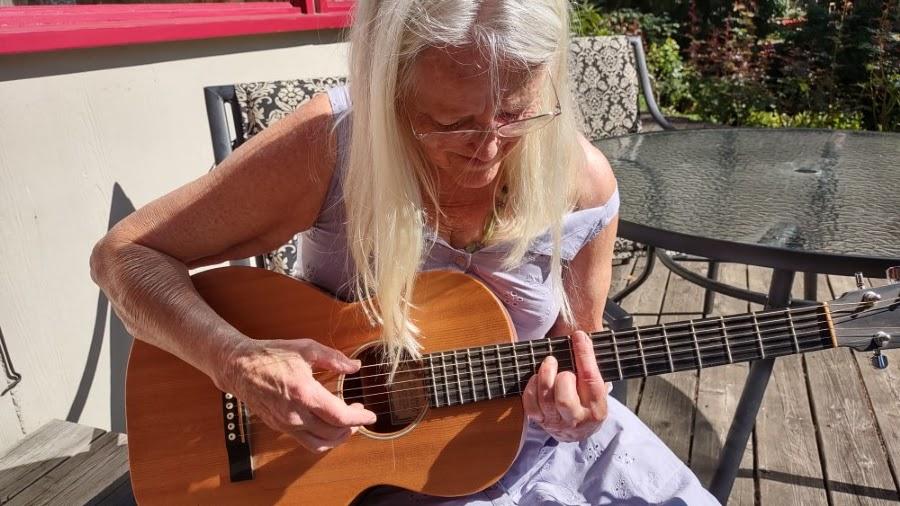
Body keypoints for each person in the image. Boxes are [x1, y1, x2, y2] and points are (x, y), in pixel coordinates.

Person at [91, 1, 718, 504]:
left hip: (539, 449)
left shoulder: (582, 184)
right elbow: (124, 256)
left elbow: (578, 353)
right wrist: (236, 362)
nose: (488, 146)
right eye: (450, 122)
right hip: (351, 469)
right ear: (387, 92)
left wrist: (577, 409)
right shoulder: (331, 145)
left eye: (515, 113)